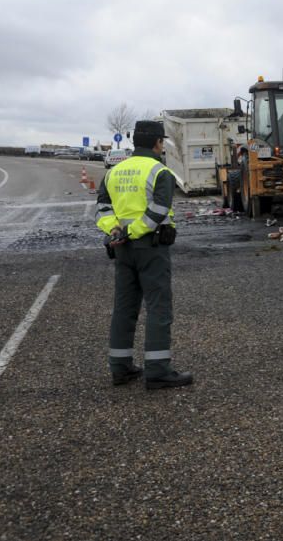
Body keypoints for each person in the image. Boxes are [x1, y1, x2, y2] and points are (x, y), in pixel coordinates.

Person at [96, 120, 193, 389]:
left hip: (122, 250)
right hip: (150, 247)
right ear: (157, 143)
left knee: (124, 308)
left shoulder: (114, 172)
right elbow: (159, 211)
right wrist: (134, 232)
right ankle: (158, 371)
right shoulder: (159, 172)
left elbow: (102, 209)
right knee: (158, 307)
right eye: (162, 142)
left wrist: (115, 231)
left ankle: (121, 367)